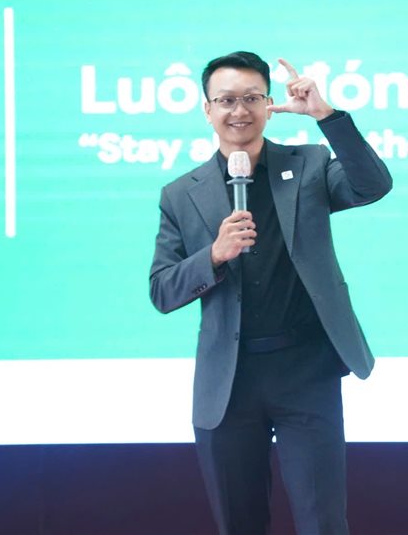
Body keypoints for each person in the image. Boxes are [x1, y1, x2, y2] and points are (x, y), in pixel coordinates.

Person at [149, 51, 392, 534]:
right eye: (226, 100)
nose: (239, 110)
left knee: (323, 523)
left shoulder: (309, 163)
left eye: (252, 98)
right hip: (229, 381)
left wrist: (326, 116)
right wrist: (213, 255)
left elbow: (372, 185)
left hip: (306, 371)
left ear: (268, 104)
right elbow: (162, 289)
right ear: (207, 110)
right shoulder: (180, 193)